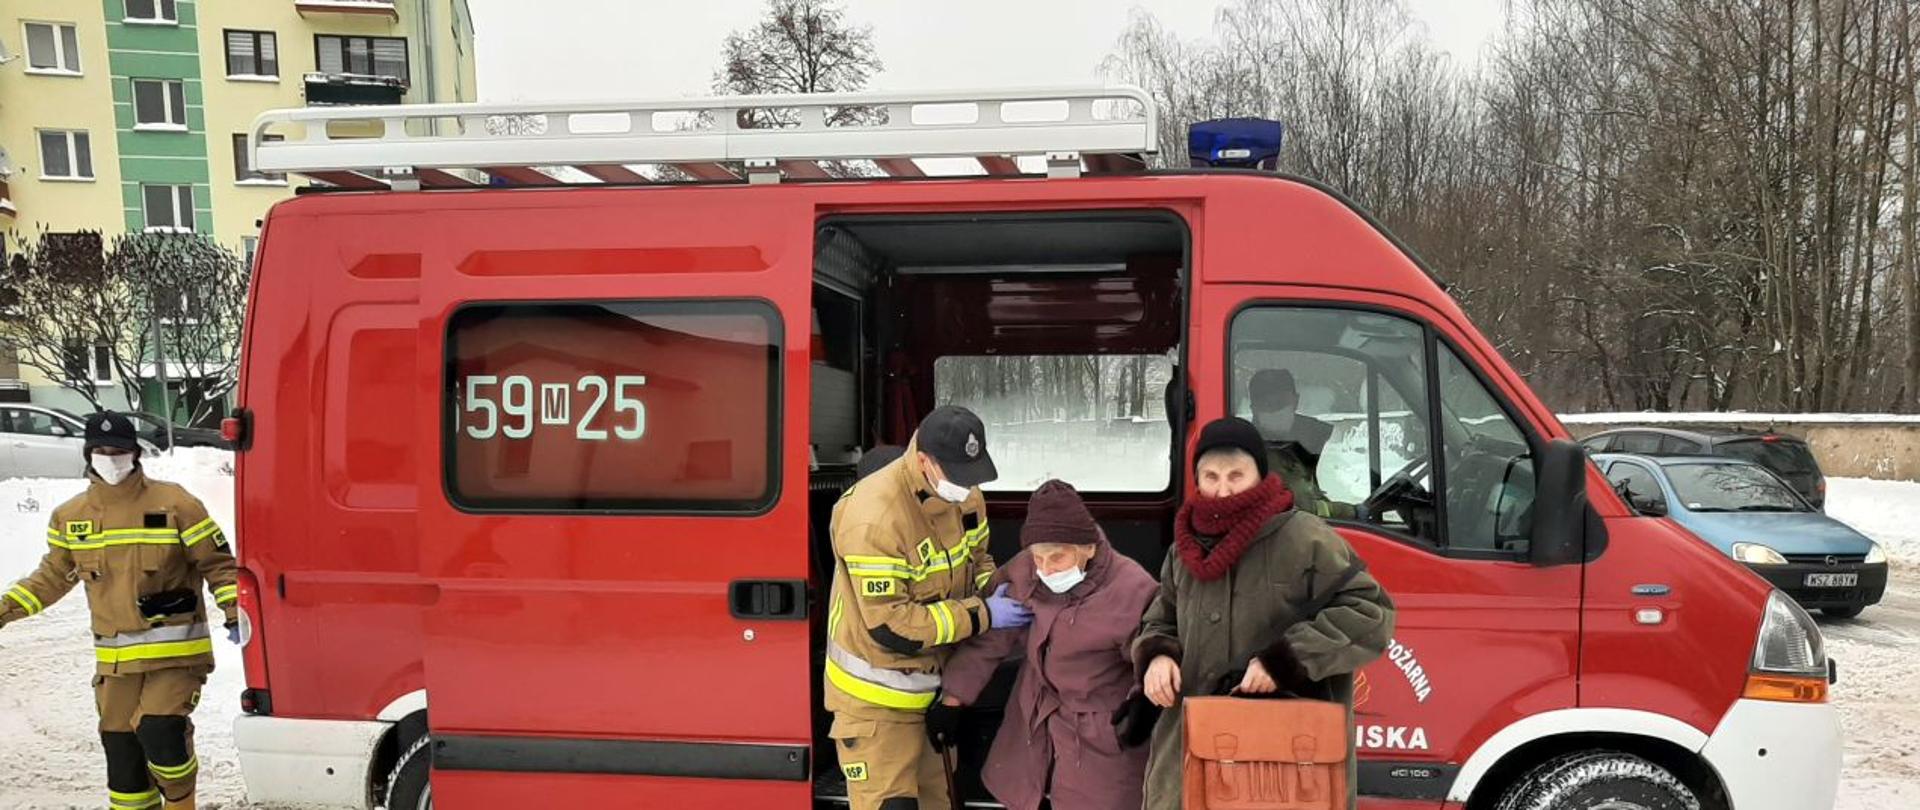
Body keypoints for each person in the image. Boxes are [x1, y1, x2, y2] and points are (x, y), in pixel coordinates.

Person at [1130, 417, 1395, 809]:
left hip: (1283, 764)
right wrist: (1157, 656)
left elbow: (1370, 612)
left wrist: (1286, 661)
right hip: (1188, 761)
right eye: (1211, 476)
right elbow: (1160, 618)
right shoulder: (1183, 550)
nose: (1222, 489)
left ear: (1259, 474)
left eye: (1236, 475)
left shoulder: (1304, 538)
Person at [0, 412, 241, 810]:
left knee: (161, 734)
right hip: (116, 667)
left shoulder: (176, 502)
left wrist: (233, 608)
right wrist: (5, 609)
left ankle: (183, 803)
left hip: (176, 657)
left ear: (135, 454)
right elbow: (51, 578)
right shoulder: (71, 516)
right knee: (123, 757)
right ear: (88, 454)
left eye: (119, 451)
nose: (110, 459)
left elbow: (217, 564)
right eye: (101, 451)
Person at [825, 405, 1034, 810]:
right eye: (957, 475)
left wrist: (999, 589)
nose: (967, 486)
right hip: (877, 702)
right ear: (924, 460)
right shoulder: (874, 517)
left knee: (940, 802)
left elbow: (977, 559)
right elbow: (893, 627)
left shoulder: (965, 495)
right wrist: (984, 614)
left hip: (933, 687)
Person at [931, 480, 1159, 810]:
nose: (1046, 569)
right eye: (1038, 557)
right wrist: (952, 700)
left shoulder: (1132, 589)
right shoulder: (1027, 572)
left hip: (1102, 733)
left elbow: (1153, 652)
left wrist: (1144, 706)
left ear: (1089, 547)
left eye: (1057, 557)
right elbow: (989, 643)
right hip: (1034, 724)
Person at [1248, 368, 1352, 518]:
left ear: (1295, 401)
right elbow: (1302, 505)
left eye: (1281, 403)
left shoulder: (1317, 439)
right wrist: (1352, 512)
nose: (1275, 410)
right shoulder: (1248, 453)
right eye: (1266, 405)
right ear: (1254, 409)